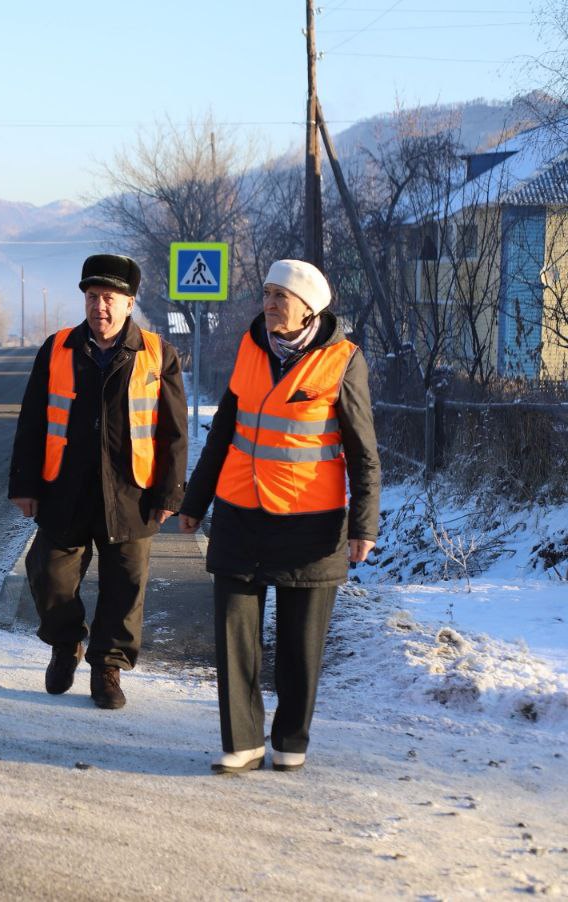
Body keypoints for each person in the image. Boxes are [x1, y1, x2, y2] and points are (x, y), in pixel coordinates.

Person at [178, 259, 380, 773]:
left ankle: (290, 741)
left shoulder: (343, 360)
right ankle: (242, 741)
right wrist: (195, 502)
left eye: (280, 296)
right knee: (234, 635)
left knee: (300, 643)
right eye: (266, 293)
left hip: (310, 522)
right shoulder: (250, 347)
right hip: (241, 511)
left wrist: (364, 525)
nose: (269, 304)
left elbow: (363, 452)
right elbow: (225, 428)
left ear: (308, 307)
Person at [9, 254, 187, 709]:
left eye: (109, 298)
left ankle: (107, 669)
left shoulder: (157, 354)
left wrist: (170, 492)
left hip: (132, 493)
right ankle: (66, 643)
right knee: (49, 576)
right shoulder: (57, 348)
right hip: (63, 489)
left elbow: (172, 430)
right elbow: (31, 421)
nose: (99, 307)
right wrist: (25, 485)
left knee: (125, 588)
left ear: (129, 303)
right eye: (92, 297)